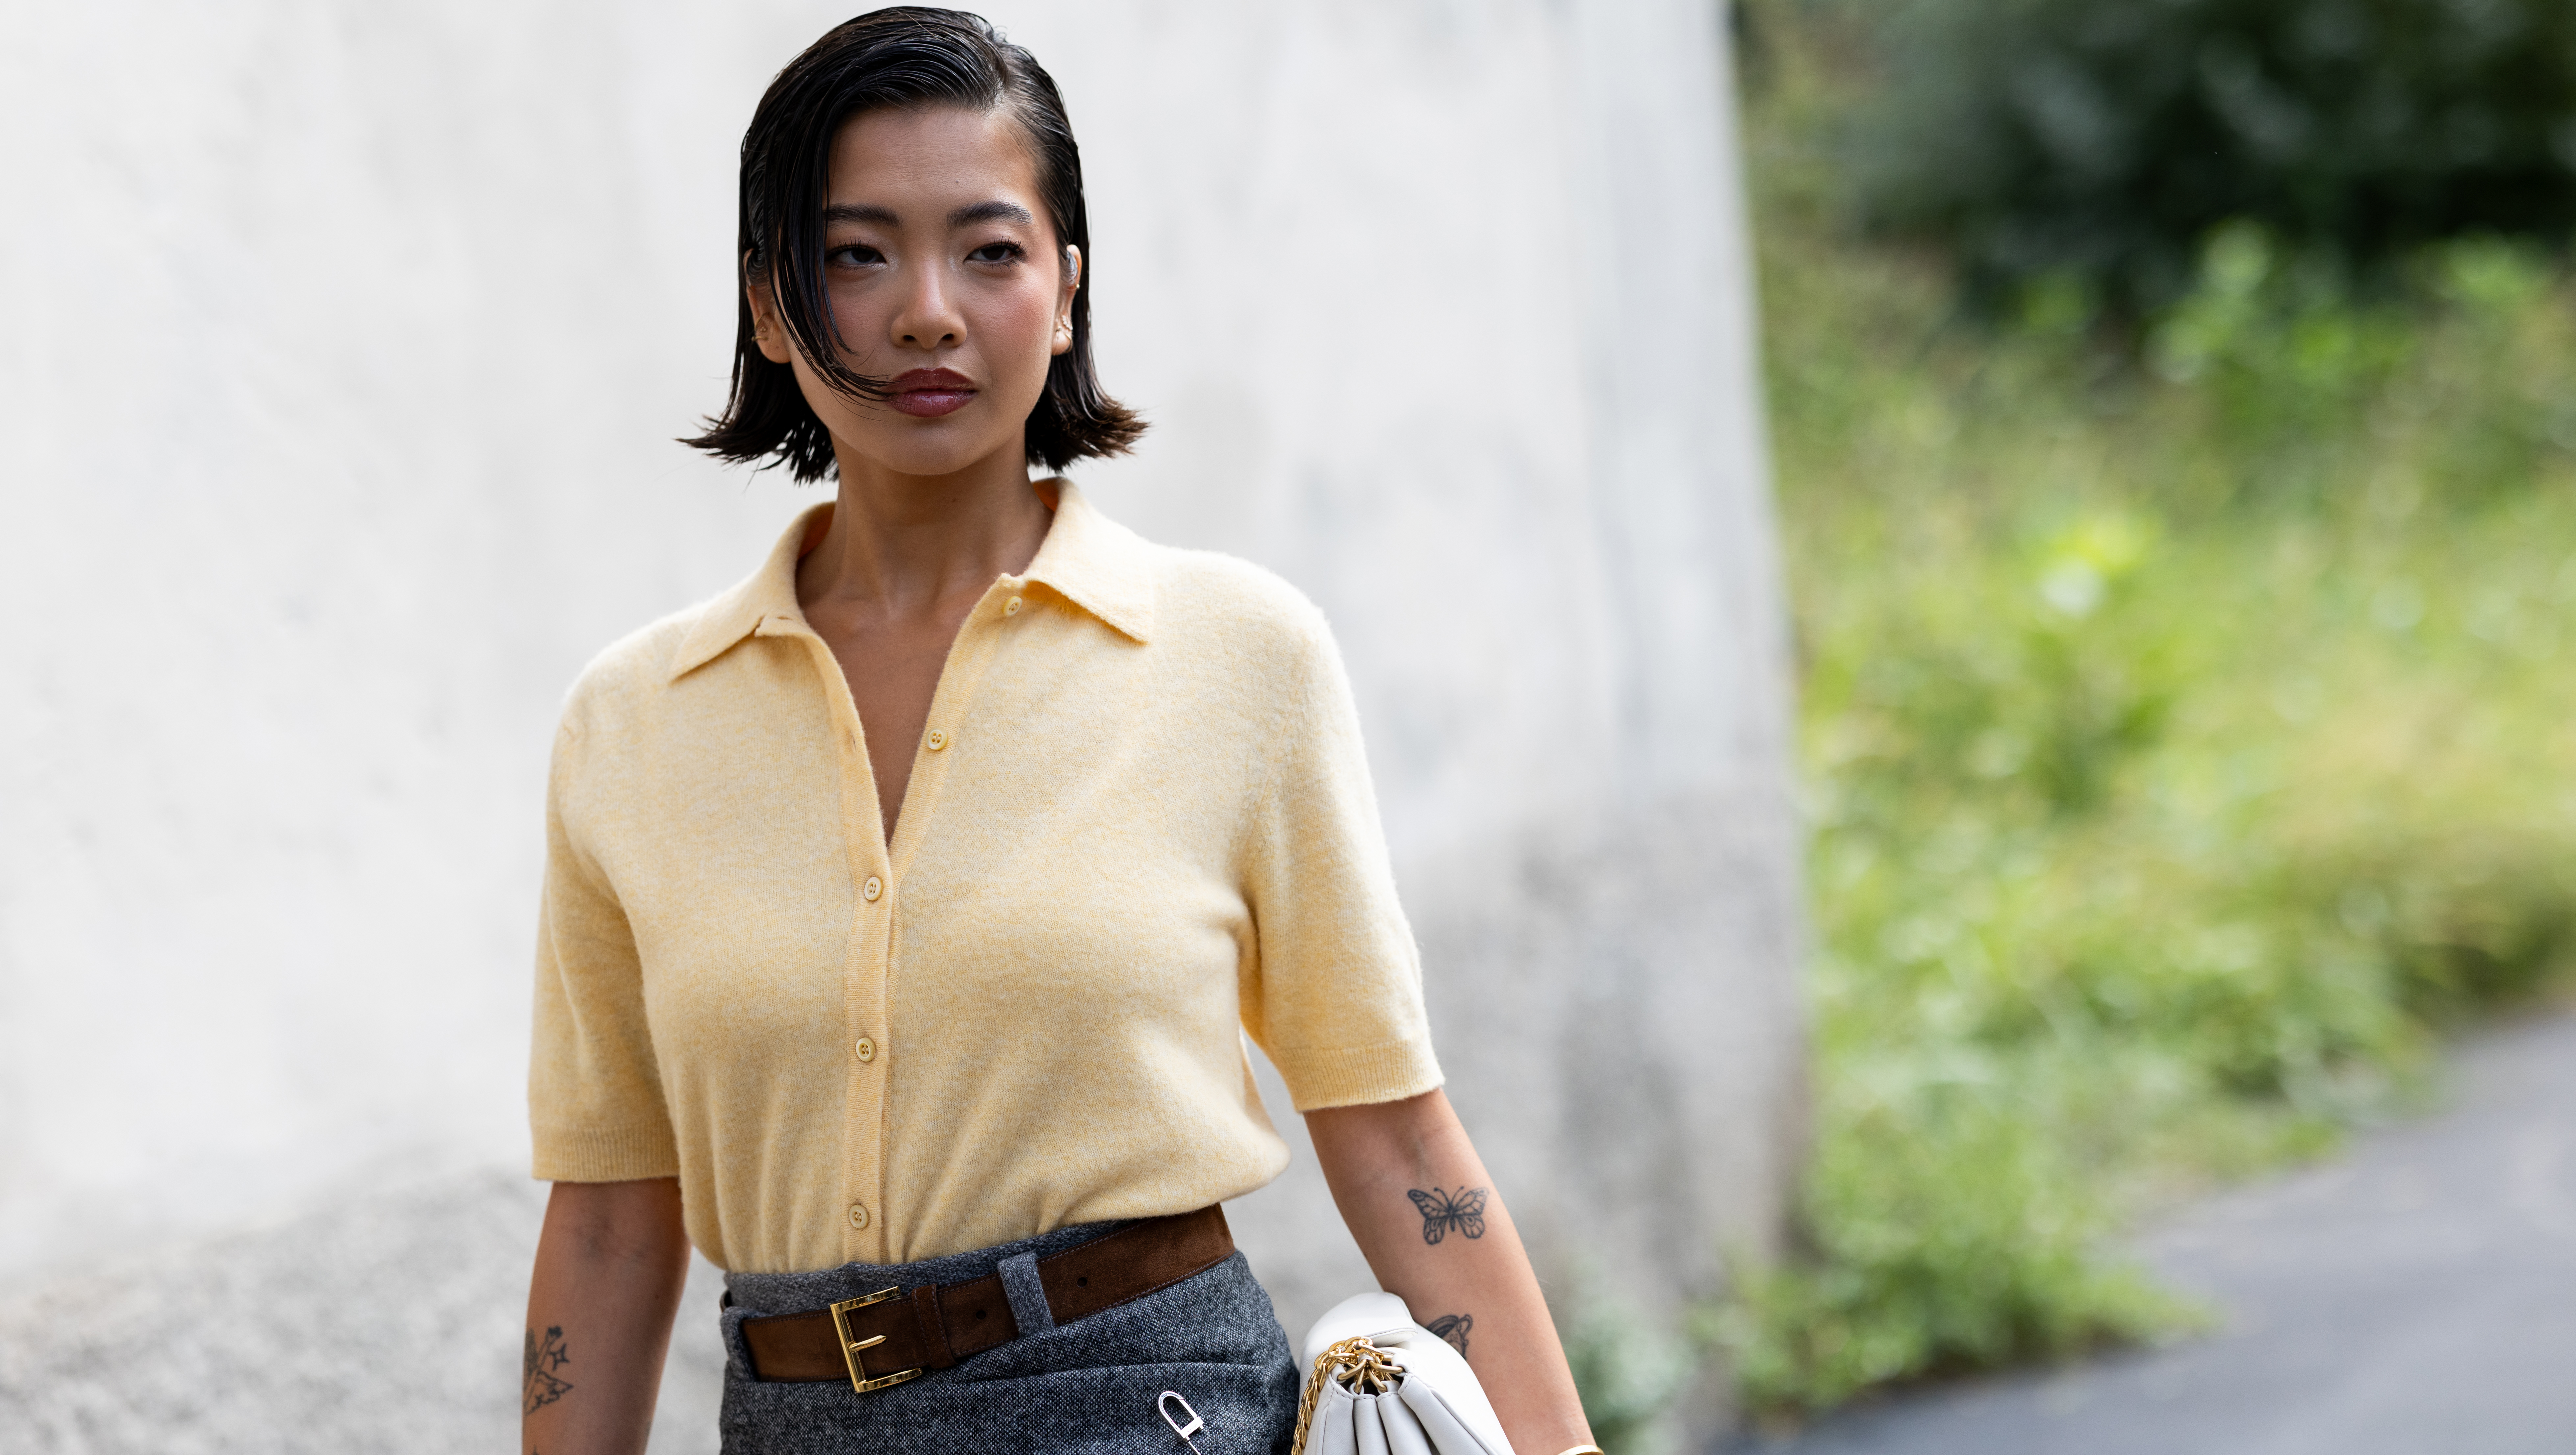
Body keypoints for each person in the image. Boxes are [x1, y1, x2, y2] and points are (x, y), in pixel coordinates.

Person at [519, 10, 1598, 1454]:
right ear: (769, 307)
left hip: (1148, 1405)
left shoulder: (1236, 655)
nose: (928, 313)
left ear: (1067, 290)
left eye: (989, 250)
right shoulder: (634, 723)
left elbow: (1392, 1131)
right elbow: (608, 1213)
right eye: (856, 255)